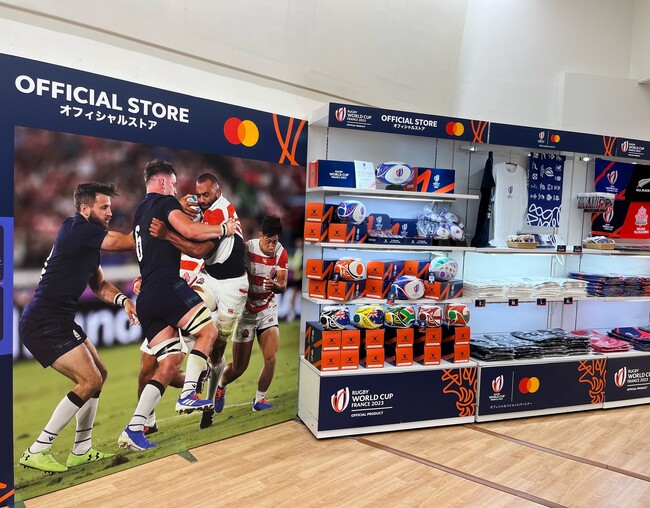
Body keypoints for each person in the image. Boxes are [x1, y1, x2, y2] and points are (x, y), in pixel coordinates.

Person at [18, 182, 138, 473]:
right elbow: (121, 242)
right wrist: (155, 229)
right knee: (89, 380)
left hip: (58, 319)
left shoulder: (87, 239)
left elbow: (99, 286)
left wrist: (123, 300)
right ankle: (38, 449)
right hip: (43, 321)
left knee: (100, 375)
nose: (110, 212)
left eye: (110, 207)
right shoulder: (77, 228)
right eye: (104, 207)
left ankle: (81, 449)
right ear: (85, 209)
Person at [118, 160, 236, 452]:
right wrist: (224, 228)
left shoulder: (139, 212)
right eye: (172, 183)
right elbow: (193, 232)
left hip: (146, 297)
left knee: (169, 363)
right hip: (167, 288)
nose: (175, 188)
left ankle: (134, 428)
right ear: (162, 182)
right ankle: (188, 394)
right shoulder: (165, 203)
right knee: (208, 331)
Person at [147, 172, 248, 430]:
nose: (201, 199)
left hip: (233, 287)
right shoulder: (202, 205)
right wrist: (178, 205)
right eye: (199, 194)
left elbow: (199, 250)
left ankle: (211, 400)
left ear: (218, 191)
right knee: (191, 316)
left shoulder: (220, 212)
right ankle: (192, 387)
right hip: (210, 278)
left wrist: (167, 235)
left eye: (206, 195)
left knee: (217, 351)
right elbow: (179, 210)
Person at [214, 215, 288, 413]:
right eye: (269, 241)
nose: (272, 246)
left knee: (271, 359)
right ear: (260, 235)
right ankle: (220, 386)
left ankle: (259, 399)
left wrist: (275, 286)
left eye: (275, 241)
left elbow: (283, 284)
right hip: (245, 312)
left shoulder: (281, 252)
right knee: (239, 368)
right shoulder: (247, 248)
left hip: (266, 309)